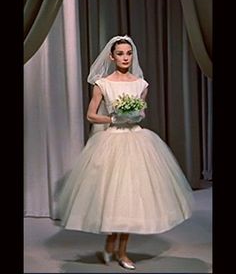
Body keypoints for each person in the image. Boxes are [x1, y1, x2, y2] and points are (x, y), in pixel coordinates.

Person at [57, 35, 194, 270]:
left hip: (137, 140)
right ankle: (112, 239)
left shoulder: (141, 84)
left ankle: (122, 251)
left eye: (128, 53)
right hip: (112, 140)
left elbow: (141, 113)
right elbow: (91, 115)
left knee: (132, 194)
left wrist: (134, 115)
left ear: (133, 56)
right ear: (112, 56)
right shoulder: (102, 84)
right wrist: (113, 117)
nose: (125, 57)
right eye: (120, 53)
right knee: (114, 194)